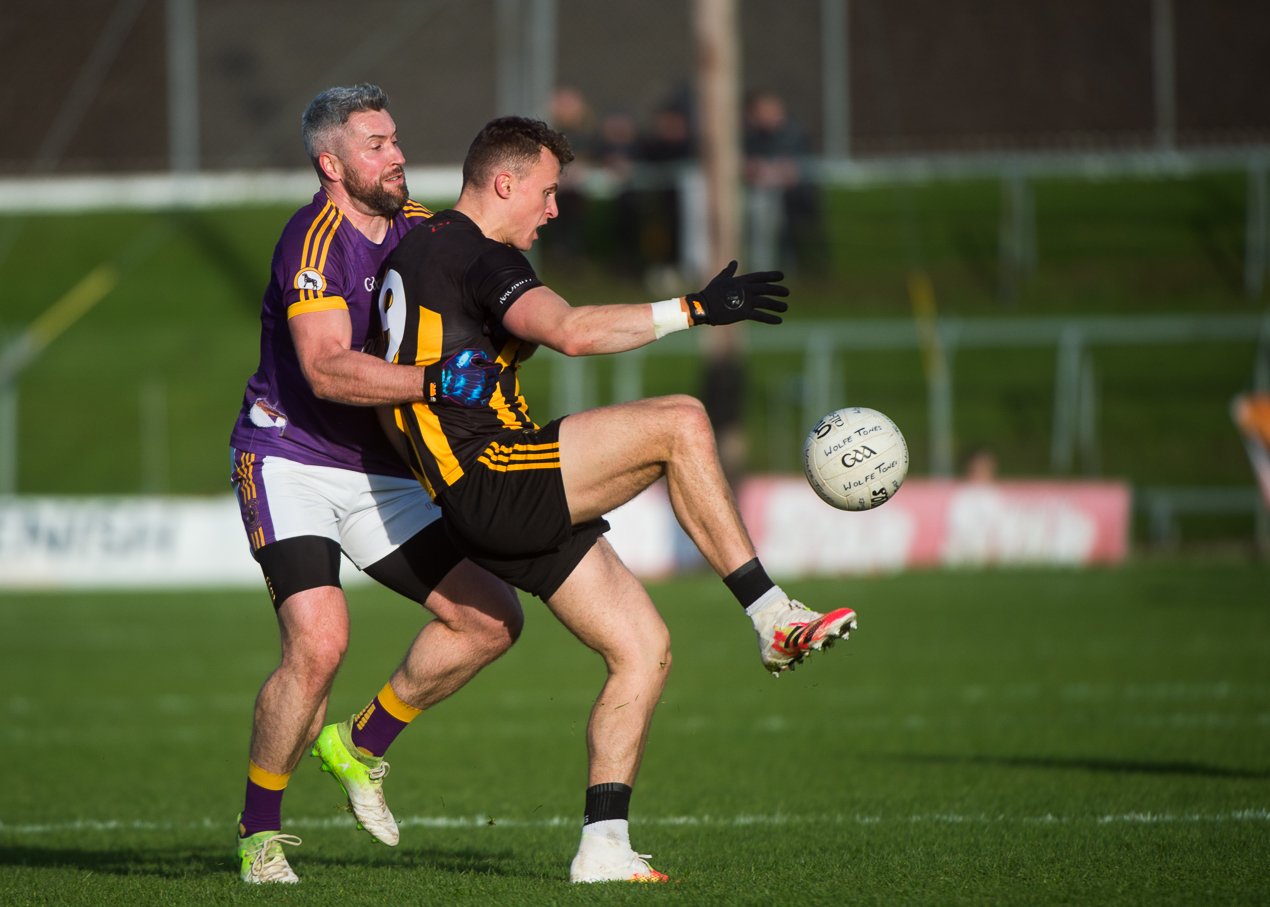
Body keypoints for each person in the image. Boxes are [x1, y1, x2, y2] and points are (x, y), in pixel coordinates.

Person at [371, 116, 857, 884]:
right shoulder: (475, 253)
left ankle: (603, 846)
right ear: (504, 183)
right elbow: (568, 329)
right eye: (547, 190)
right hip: (494, 474)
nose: (554, 208)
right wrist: (692, 309)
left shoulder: (421, 251)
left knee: (642, 650)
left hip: (475, 492)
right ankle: (771, 614)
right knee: (680, 421)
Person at [227, 85, 523, 885]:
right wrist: (435, 378)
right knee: (319, 641)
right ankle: (260, 832)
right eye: (374, 144)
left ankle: (358, 743)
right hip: (289, 457)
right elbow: (324, 370)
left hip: (381, 472)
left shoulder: (424, 229)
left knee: (491, 618)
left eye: (395, 138)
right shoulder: (312, 241)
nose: (395, 155)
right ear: (331, 164)